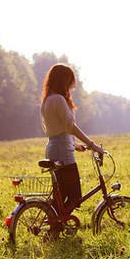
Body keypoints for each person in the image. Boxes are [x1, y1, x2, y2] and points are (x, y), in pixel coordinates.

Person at [40, 63, 104, 214]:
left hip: (54, 147)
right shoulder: (58, 100)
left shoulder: (47, 100)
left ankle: (56, 225)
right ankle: (56, 224)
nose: (70, 87)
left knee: (61, 195)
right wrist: (92, 145)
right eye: (69, 82)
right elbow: (70, 126)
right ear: (63, 81)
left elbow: (56, 130)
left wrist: (75, 145)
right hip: (63, 152)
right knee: (74, 195)